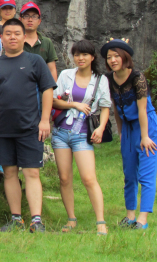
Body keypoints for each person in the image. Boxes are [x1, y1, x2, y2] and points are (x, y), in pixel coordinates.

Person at [0, 18, 56, 233]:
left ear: (24, 37)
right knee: (9, 173)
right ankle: (16, 218)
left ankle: (36, 220)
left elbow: (47, 90)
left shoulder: (35, 61)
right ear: (1, 38)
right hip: (1, 128)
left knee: (32, 173)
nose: (12, 37)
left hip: (29, 127)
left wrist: (44, 120)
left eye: (17, 33)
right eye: (8, 34)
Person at [52, 40, 111, 235]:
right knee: (64, 178)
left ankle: (100, 221)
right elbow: (54, 100)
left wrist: (101, 128)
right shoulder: (65, 75)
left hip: (82, 134)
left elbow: (104, 107)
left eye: (85, 54)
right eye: (77, 54)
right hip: (61, 132)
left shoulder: (100, 79)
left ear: (92, 57)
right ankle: (71, 219)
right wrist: (74, 105)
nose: (80, 58)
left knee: (88, 178)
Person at [101, 38, 157, 230]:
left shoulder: (137, 78)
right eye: (109, 57)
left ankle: (143, 220)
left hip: (146, 126)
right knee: (129, 173)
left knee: (146, 173)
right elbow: (116, 109)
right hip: (127, 127)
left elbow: (142, 110)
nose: (113, 60)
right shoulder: (108, 79)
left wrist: (145, 137)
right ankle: (130, 216)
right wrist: (121, 134)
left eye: (117, 56)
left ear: (125, 57)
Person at [20, 2, 58, 82]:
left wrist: (53, 91)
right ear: (20, 19)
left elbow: (52, 70)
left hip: (42, 89)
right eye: (26, 16)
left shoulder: (47, 42)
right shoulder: (16, 41)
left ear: (39, 21)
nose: (30, 20)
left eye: (34, 16)